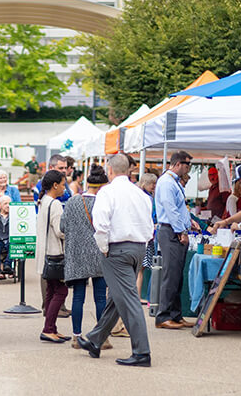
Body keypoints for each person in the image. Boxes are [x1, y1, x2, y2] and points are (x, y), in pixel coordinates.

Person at [76, 154, 154, 367]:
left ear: (109, 170)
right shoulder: (141, 194)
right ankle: (95, 339)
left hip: (116, 248)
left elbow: (101, 224)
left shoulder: (107, 193)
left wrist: (104, 249)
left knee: (127, 299)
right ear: (128, 170)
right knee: (119, 297)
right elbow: (149, 225)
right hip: (138, 247)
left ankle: (142, 352)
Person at [61, 165, 111, 350]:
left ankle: (76, 336)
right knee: (100, 298)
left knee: (78, 298)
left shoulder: (73, 202)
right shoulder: (105, 203)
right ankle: (102, 337)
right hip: (100, 254)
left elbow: (62, 227)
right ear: (103, 186)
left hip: (77, 256)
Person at [154, 151, 199, 330]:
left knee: (176, 276)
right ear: (178, 164)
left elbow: (179, 209)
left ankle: (175, 314)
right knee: (170, 275)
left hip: (174, 230)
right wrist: (181, 230)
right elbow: (170, 210)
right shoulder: (166, 182)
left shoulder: (172, 182)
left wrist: (189, 222)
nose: (188, 169)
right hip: (170, 231)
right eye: (188, 165)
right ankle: (163, 316)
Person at [35, 170, 68, 343]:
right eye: (63, 184)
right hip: (55, 253)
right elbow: (60, 231)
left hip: (44, 253)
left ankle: (51, 327)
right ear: (55, 185)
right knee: (61, 291)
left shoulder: (42, 202)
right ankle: (48, 328)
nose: (64, 188)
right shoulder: (54, 204)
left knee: (51, 291)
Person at [138, 173, 158, 301]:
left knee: (141, 269)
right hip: (146, 236)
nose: (154, 186)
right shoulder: (147, 198)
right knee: (141, 269)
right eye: (152, 183)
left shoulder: (141, 196)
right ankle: (137, 296)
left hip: (142, 235)